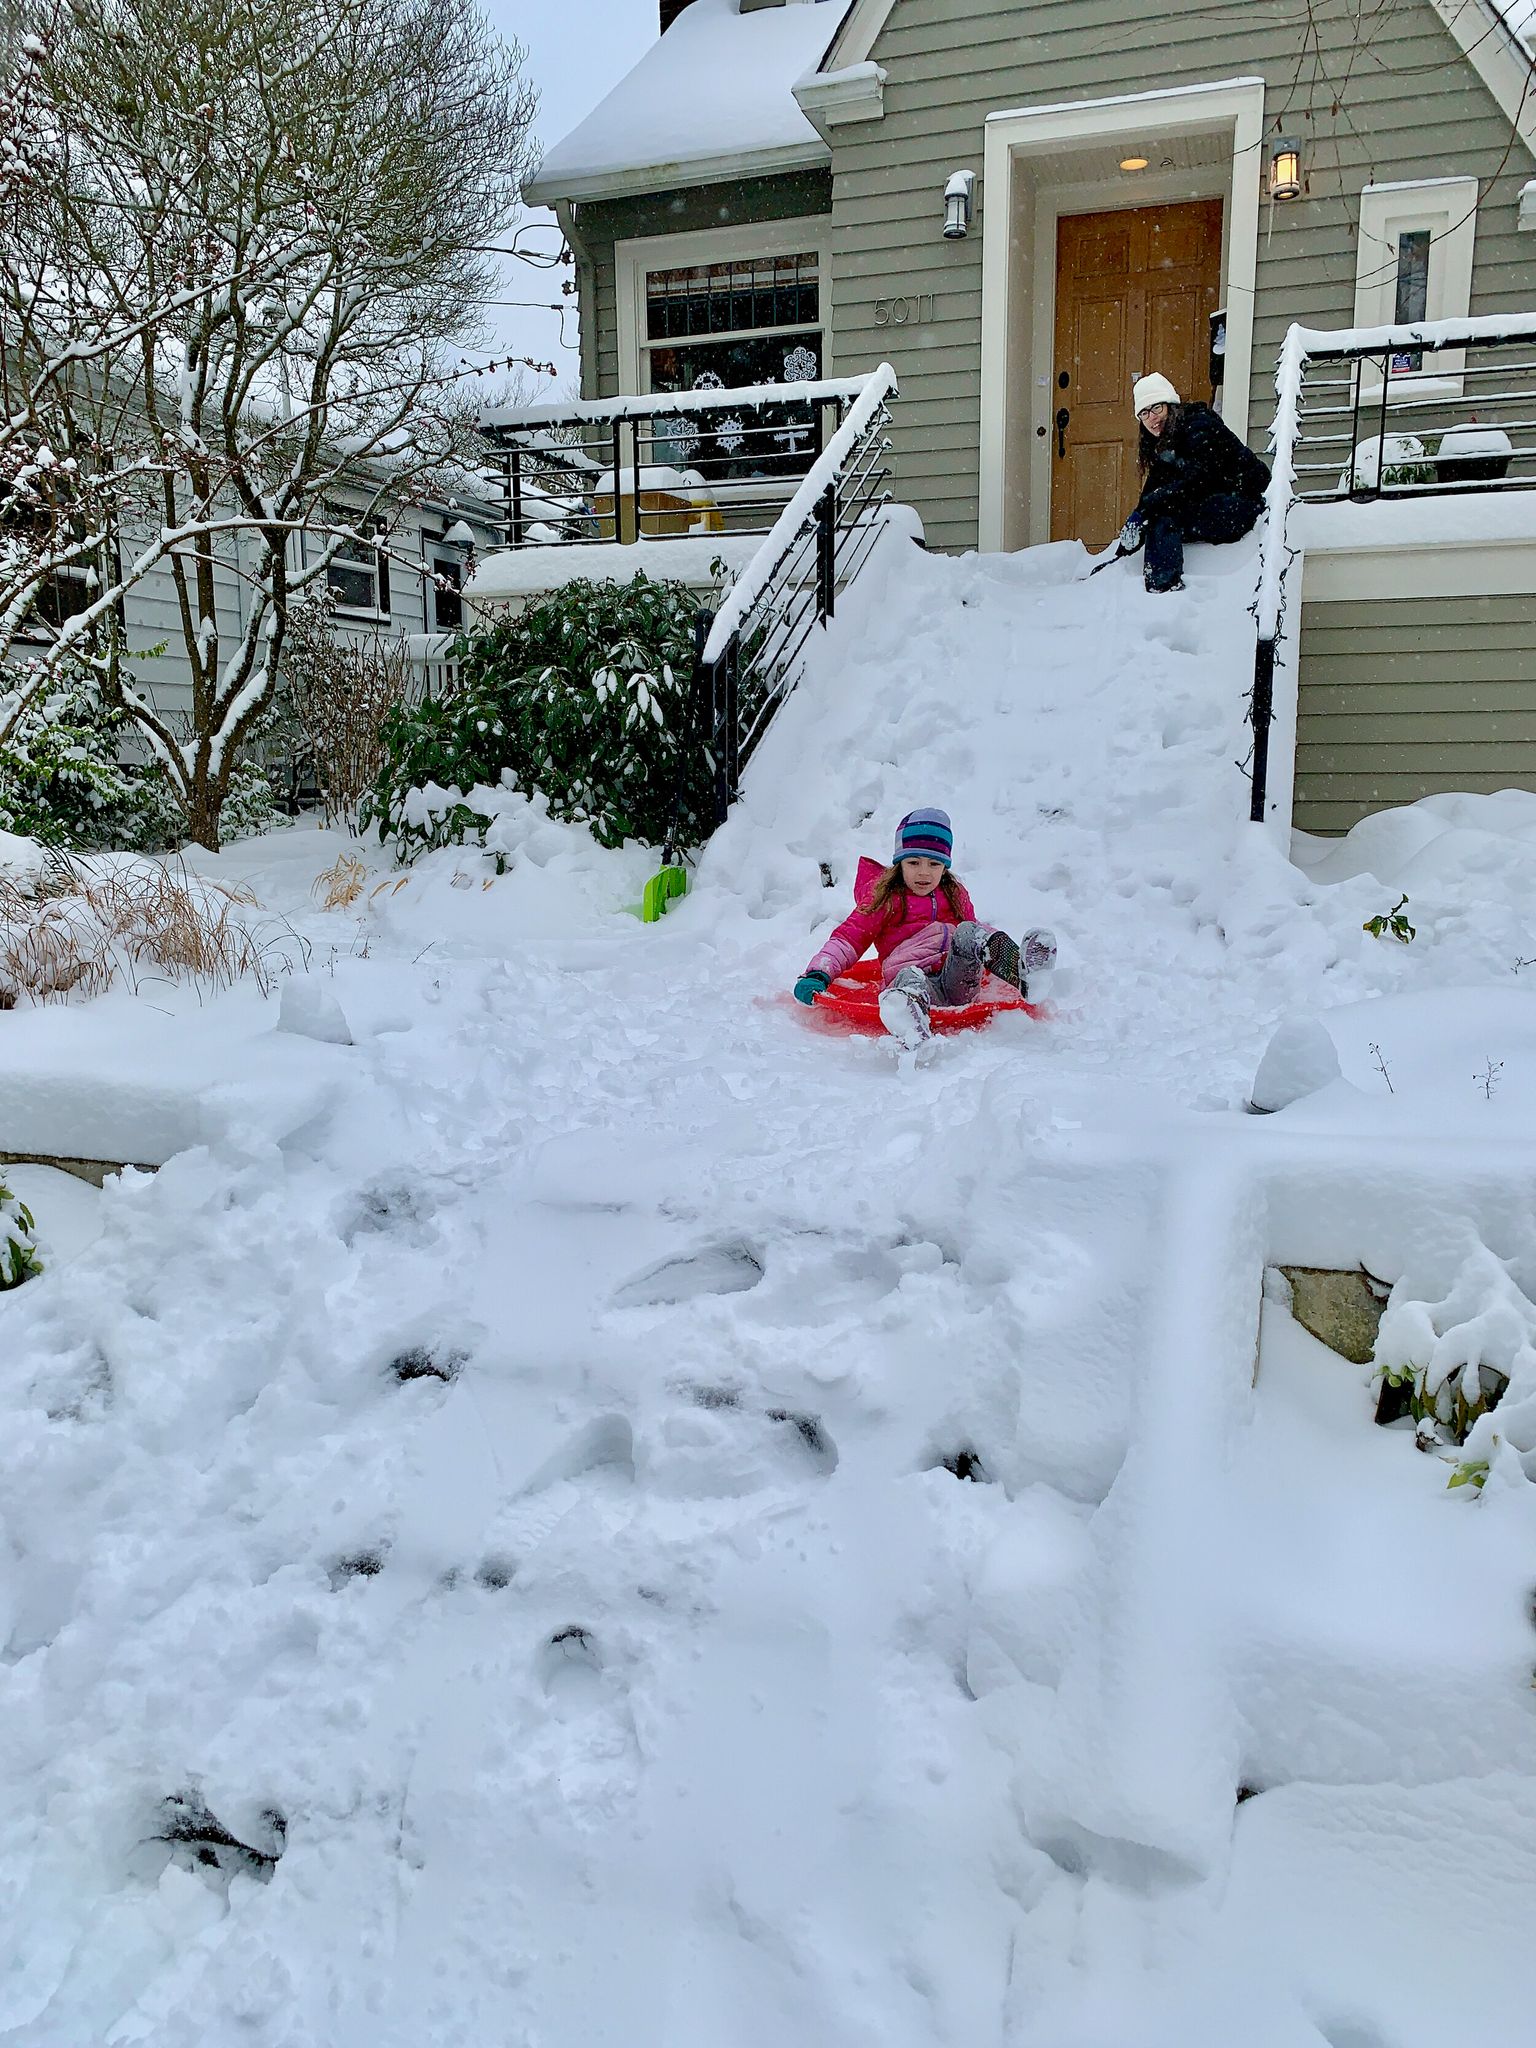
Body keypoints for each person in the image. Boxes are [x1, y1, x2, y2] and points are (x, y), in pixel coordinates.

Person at [791, 807, 1056, 1047]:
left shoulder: (954, 893)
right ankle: (910, 1022)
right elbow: (850, 936)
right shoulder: (885, 898)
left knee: (968, 930)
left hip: (957, 981)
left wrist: (991, 949)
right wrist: (818, 973)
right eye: (914, 862)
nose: (924, 873)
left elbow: (975, 936)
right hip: (913, 986)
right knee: (910, 975)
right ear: (899, 863)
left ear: (945, 866)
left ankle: (1025, 976)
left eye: (934, 864)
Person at [1117, 372, 1271, 594]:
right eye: (1144, 413)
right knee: (1158, 512)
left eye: (1157, 408)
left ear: (1171, 406)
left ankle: (1163, 590)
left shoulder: (1199, 426)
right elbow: (1156, 486)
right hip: (1216, 504)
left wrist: (1147, 511)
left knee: (1164, 515)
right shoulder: (1165, 442)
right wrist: (1134, 527)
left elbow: (1196, 481)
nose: (1152, 418)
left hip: (1242, 505)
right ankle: (1158, 585)